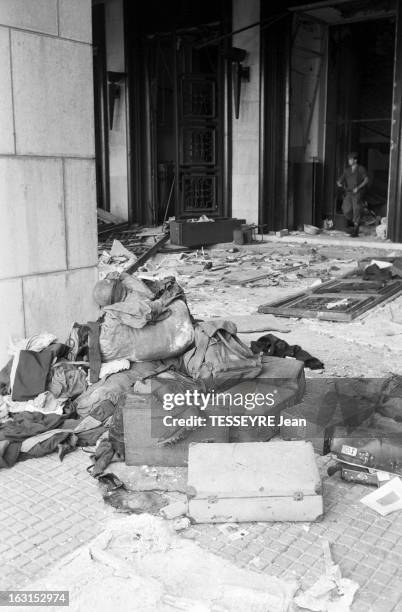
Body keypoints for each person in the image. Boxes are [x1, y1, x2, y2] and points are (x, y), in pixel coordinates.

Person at [336, 152, 369, 237]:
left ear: (355, 160)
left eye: (351, 159)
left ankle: (355, 229)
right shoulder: (347, 170)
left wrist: (358, 187)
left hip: (357, 193)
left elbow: (366, 180)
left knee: (356, 209)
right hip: (349, 193)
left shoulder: (361, 169)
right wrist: (339, 183)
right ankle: (356, 222)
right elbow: (340, 180)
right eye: (349, 159)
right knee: (346, 209)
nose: (349, 161)